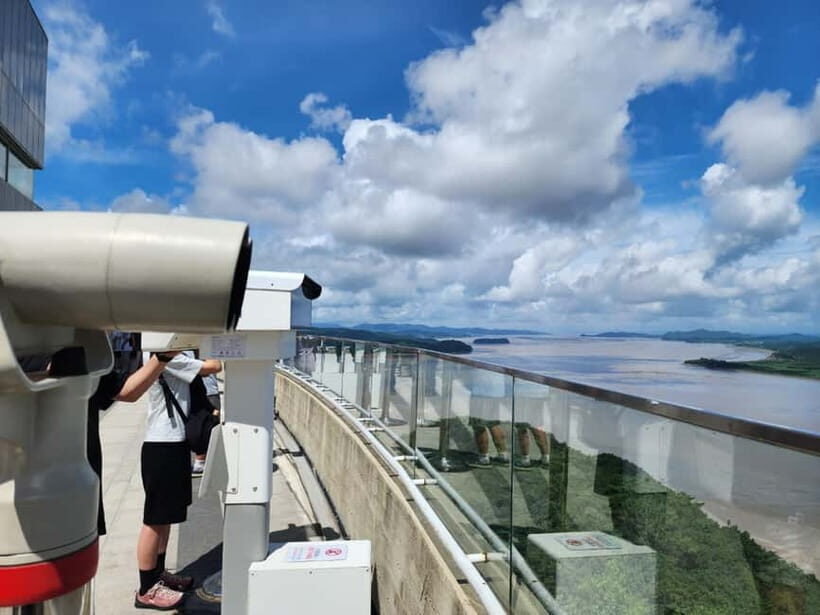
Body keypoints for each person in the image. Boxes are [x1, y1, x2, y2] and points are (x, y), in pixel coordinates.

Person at [131, 350, 222, 610]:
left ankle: (158, 575)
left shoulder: (173, 355)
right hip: (162, 445)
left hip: (173, 442)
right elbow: (213, 366)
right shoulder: (166, 356)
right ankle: (146, 589)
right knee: (154, 519)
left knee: (166, 517)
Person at [192, 371, 221, 477]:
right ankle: (202, 462)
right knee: (203, 427)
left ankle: (201, 462)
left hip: (207, 391)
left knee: (207, 427)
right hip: (203, 391)